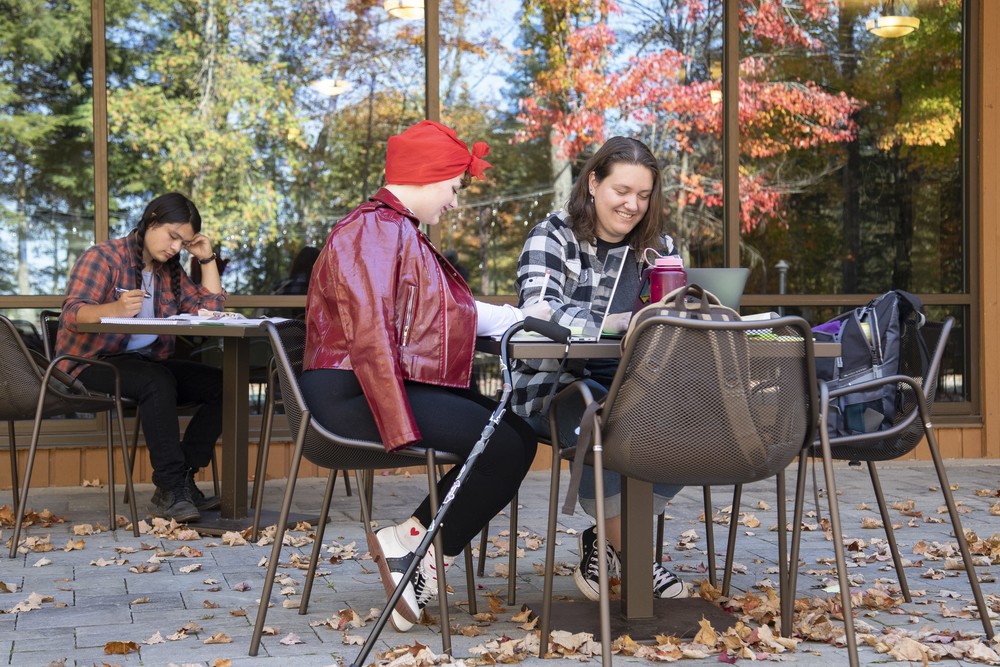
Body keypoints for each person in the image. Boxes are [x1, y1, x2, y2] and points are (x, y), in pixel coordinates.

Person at [301, 120, 547, 632]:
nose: (455, 202)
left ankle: (411, 546)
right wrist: (395, 417)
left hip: (368, 382)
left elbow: (427, 313)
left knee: (517, 434)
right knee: (500, 443)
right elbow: (369, 327)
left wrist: (502, 317)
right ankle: (420, 558)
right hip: (353, 392)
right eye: (455, 187)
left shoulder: (390, 228)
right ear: (429, 176)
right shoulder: (375, 228)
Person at [511, 136, 689, 602]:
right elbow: (539, 314)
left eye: (644, 195)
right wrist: (620, 324)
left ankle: (606, 541)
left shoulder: (659, 248)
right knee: (604, 421)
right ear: (593, 182)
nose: (633, 205)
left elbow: (672, 319)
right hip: (554, 384)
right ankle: (635, 558)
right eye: (622, 191)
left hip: (632, 383)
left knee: (692, 420)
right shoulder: (552, 236)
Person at [56, 192, 226, 523]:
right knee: (156, 381)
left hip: (146, 364)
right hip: (90, 363)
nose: (177, 247)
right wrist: (114, 310)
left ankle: (181, 481)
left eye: (184, 241)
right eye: (173, 236)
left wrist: (206, 260)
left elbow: (212, 310)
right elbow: (72, 315)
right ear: (151, 221)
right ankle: (169, 488)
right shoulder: (104, 258)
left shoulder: (169, 271)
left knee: (223, 384)